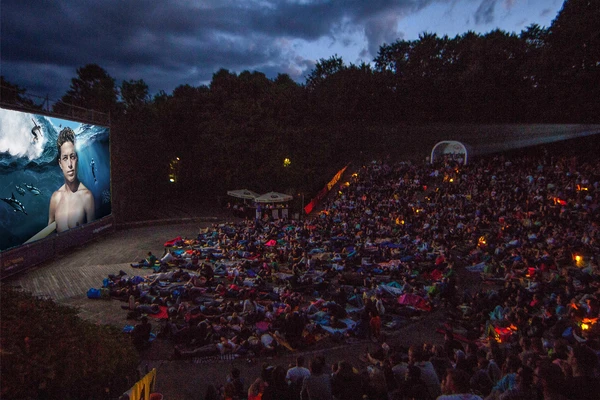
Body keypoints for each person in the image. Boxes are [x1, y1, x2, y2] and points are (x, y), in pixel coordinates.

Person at [48, 127, 95, 233]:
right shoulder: (55, 198)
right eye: (65, 158)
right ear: (60, 163)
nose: (70, 164)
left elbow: (93, 237)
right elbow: (50, 237)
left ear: (77, 159)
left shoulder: (87, 197)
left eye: (72, 157)